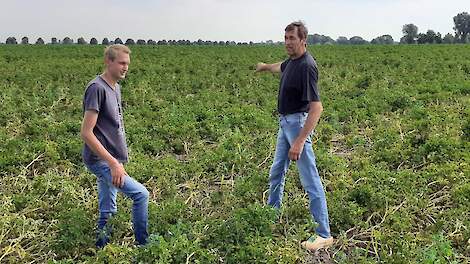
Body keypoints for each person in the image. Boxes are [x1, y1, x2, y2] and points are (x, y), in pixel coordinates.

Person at [255, 21, 334, 251]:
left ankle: (323, 233)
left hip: (297, 125)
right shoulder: (292, 62)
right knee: (277, 172)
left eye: (292, 38)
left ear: (303, 40)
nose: (288, 42)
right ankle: (272, 213)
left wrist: (299, 141)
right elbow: (280, 66)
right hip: (285, 124)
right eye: (286, 37)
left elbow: (316, 108)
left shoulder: (307, 66)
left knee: (310, 180)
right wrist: (264, 67)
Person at [80, 44, 149, 248]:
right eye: (121, 63)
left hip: (110, 159)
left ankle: (101, 248)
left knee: (108, 209)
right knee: (141, 195)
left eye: (127, 63)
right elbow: (86, 132)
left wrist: (117, 160)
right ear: (108, 62)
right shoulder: (97, 88)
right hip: (100, 159)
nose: (125, 67)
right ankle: (143, 245)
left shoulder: (115, 87)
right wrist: (113, 163)